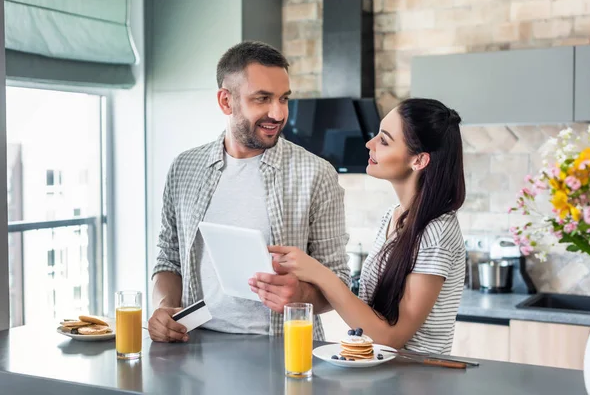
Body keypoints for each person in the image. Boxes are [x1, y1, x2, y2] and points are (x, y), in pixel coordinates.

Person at [148, 41, 350, 343]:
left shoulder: (316, 174)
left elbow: (339, 282)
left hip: (283, 351)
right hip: (194, 347)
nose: (278, 113)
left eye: (284, 99)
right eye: (262, 99)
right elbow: (169, 259)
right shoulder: (184, 168)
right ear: (226, 102)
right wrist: (164, 308)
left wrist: (301, 294)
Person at [255, 98, 466, 355]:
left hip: (418, 380)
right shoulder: (394, 216)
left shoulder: (437, 231)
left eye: (384, 140)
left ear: (419, 160)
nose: (370, 144)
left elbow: (391, 337)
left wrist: (318, 273)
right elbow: (371, 317)